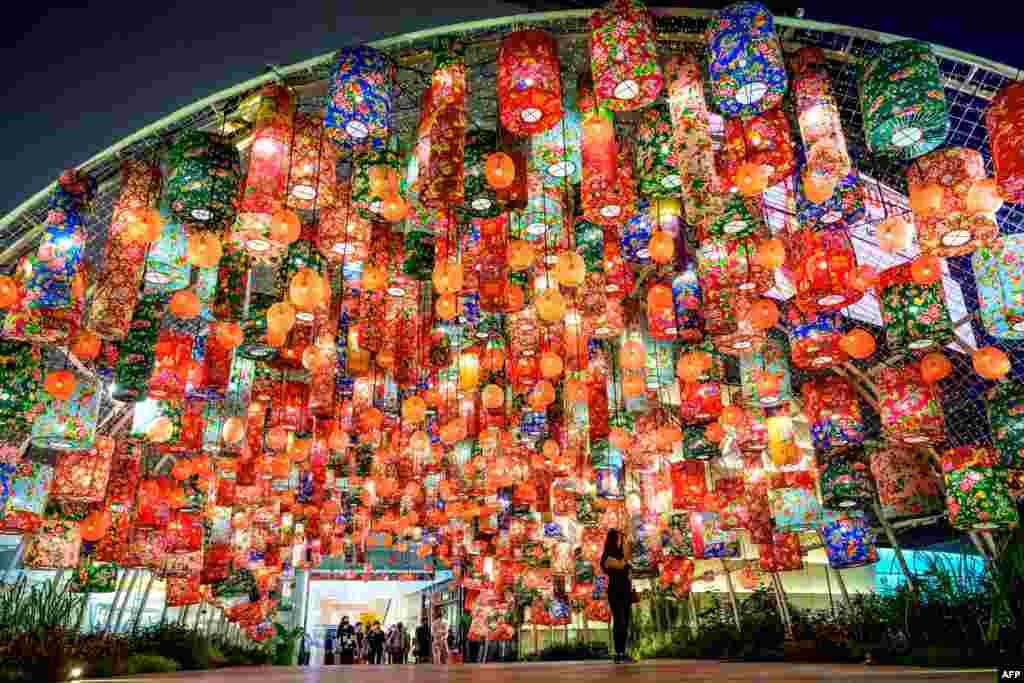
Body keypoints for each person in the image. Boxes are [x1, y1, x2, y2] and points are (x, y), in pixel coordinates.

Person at [600, 527, 633, 664]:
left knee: (625, 621)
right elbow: (620, 565)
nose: (621, 541)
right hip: (615, 591)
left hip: (625, 590)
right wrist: (627, 563)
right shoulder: (607, 555)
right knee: (619, 620)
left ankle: (623, 652)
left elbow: (627, 558)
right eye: (619, 538)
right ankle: (618, 652)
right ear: (613, 539)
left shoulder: (620, 553)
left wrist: (625, 538)